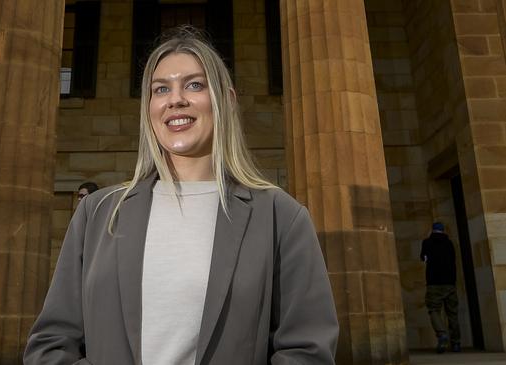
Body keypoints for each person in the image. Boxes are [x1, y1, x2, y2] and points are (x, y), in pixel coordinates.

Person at [24, 27, 338, 365]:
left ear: (226, 101)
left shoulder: (281, 217)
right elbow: (51, 344)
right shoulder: (97, 213)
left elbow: (308, 352)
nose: (176, 99)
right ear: (149, 108)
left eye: (194, 85)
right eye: (161, 89)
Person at [420, 222, 461, 353]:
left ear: (432, 230)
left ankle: (442, 334)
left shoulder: (427, 242)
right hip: (449, 283)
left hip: (434, 283)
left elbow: (423, 258)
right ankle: (456, 344)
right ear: (443, 231)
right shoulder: (449, 244)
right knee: (452, 313)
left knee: (433, 310)